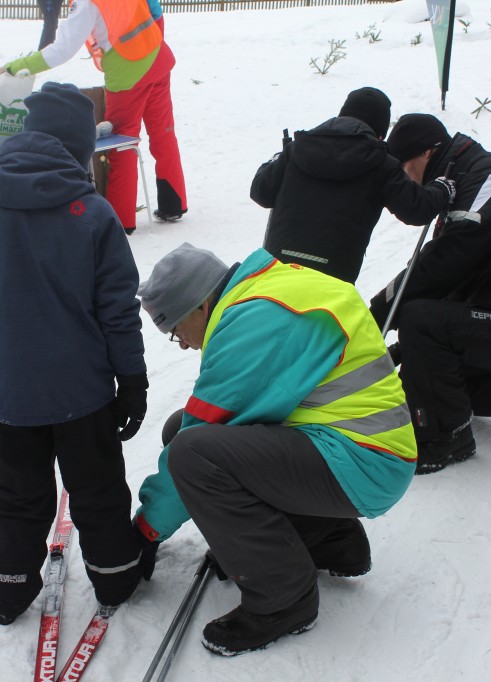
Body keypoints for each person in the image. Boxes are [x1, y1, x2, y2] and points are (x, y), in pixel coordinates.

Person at [133, 243, 417, 656]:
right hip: (364, 449)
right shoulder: (273, 288)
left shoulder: (259, 320)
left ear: (198, 305)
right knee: (187, 432)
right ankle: (328, 539)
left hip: (363, 461)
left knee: (192, 452)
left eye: (175, 330)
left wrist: (146, 530)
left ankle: (284, 598)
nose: (181, 344)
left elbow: (198, 440)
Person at [0, 83, 148, 624]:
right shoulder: (95, 213)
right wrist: (132, 379)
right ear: (80, 147)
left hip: (9, 392)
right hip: (83, 394)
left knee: (17, 498)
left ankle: (6, 590)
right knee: (99, 489)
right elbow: (117, 309)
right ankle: (115, 577)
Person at [368, 113, 491, 474]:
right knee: (423, 379)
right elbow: (456, 279)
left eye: (402, 168)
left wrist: (374, 317)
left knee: (420, 323)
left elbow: (440, 265)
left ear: (427, 153)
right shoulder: (466, 179)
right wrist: (402, 354)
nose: (402, 179)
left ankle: (447, 439)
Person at [2, 0, 188, 234]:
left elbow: (63, 49)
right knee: (164, 134)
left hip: (127, 72)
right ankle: (174, 204)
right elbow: (154, 9)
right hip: (158, 56)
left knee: (123, 143)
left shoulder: (86, 3)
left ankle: (120, 221)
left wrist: (17, 67)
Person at [251, 87, 454, 283]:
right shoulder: (381, 162)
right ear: (380, 135)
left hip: (277, 269)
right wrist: (442, 188)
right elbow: (417, 210)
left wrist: (276, 159)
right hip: (333, 276)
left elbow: (261, 191)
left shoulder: (296, 149)